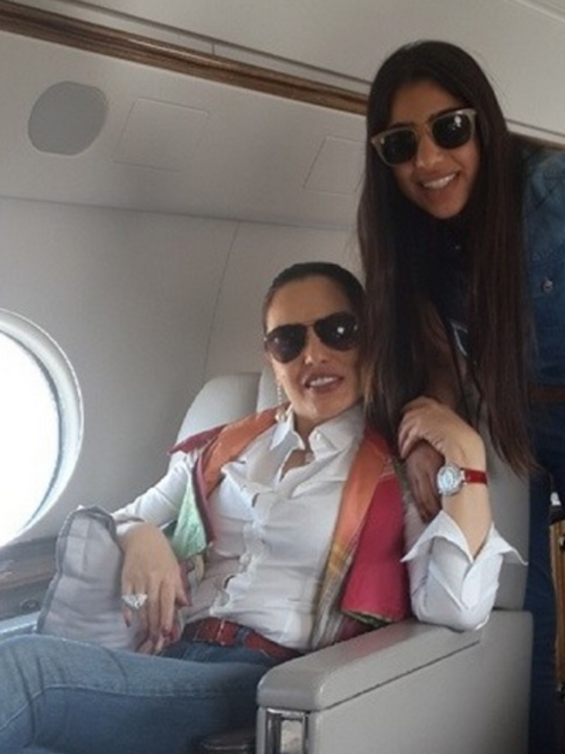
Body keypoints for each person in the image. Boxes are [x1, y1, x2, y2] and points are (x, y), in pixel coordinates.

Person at [0, 261, 516, 754]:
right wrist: (142, 535)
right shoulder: (224, 447)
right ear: (272, 357)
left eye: (337, 331)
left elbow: (456, 608)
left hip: (261, 681)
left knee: (29, 671)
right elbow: (123, 518)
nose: (313, 355)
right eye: (289, 341)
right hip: (169, 658)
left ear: (370, 341)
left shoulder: (401, 468)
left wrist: (467, 457)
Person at [357, 39, 565, 754]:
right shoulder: (409, 235)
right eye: (400, 144)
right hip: (512, 420)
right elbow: (440, 352)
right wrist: (433, 421)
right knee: (519, 614)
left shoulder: (550, 195)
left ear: (483, 125)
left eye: (448, 129)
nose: (427, 160)